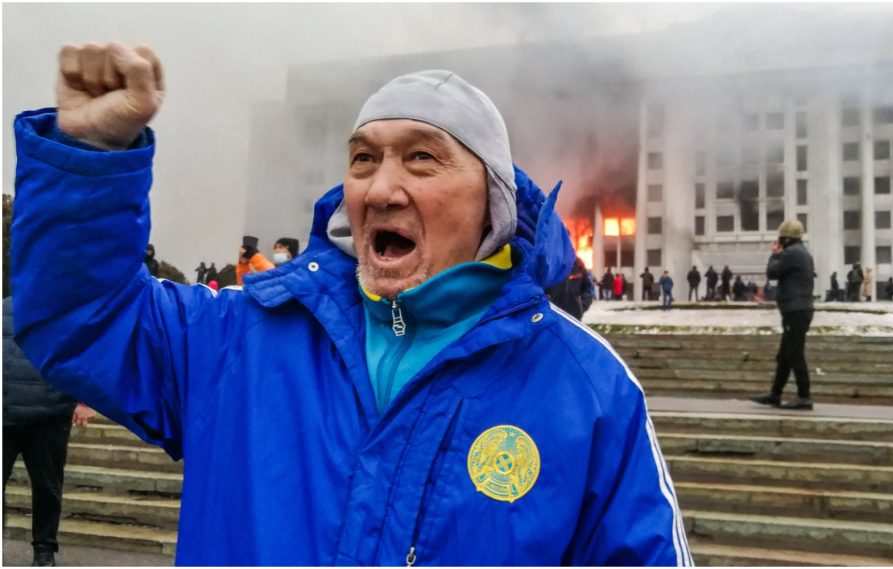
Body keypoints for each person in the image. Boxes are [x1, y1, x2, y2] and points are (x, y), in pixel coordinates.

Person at [10, 46, 690, 566]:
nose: (381, 188)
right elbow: (81, 318)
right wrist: (89, 159)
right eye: (363, 159)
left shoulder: (586, 389)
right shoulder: (236, 340)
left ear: (493, 202)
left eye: (422, 159)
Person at [3, 297, 97, 567]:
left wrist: (85, 400)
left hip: (48, 416)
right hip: (13, 414)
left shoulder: (65, 310)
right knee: (48, 489)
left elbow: (82, 356)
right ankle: (44, 553)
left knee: (47, 489)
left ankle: (44, 550)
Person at [750, 219, 815, 411]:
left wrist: (774, 254)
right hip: (798, 309)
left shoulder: (792, 253)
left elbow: (772, 273)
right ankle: (775, 394)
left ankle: (804, 396)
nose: (779, 242)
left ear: (786, 238)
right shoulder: (802, 252)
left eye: (781, 239)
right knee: (785, 355)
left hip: (795, 310)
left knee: (794, 353)